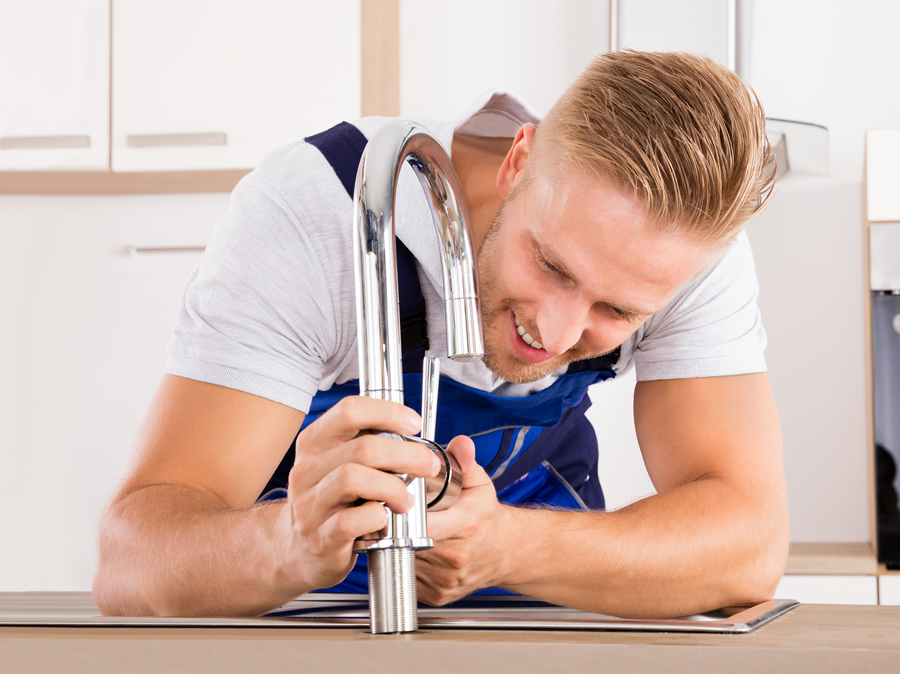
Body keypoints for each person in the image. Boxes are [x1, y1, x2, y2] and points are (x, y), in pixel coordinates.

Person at [93, 50, 789, 619]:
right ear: (520, 161)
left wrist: (508, 547)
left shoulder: (685, 254)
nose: (555, 329)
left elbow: (749, 544)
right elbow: (131, 563)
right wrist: (290, 545)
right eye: (549, 264)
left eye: (617, 312)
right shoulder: (313, 215)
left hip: (541, 628)